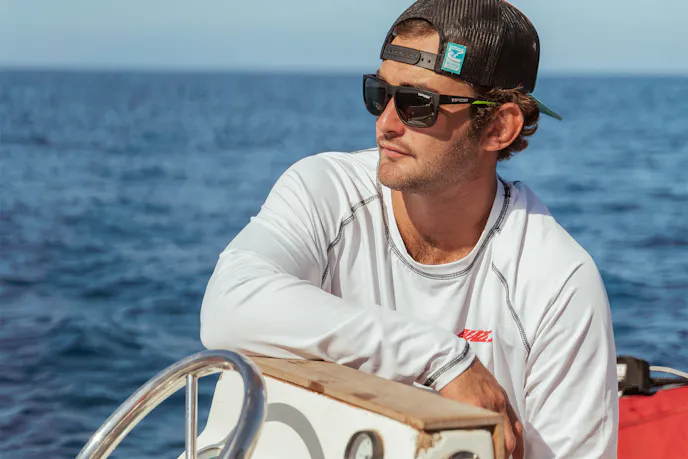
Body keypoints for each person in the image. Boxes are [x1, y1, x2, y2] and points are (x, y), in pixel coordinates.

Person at [200, 0, 618, 457]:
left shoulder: (558, 281)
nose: (385, 124)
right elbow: (229, 304)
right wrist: (443, 358)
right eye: (379, 95)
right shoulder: (325, 190)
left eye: (418, 105)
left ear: (498, 128)